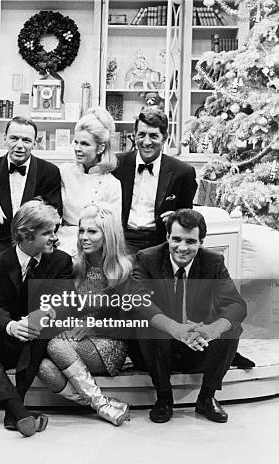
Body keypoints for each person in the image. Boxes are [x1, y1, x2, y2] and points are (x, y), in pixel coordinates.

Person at [132, 209, 246, 423]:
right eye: (176, 239)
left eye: (190, 241)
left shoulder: (213, 262)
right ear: (167, 237)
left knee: (231, 326)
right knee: (148, 323)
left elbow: (235, 304)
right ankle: (164, 397)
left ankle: (206, 397)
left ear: (201, 242)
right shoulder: (147, 259)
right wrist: (174, 328)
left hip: (197, 344)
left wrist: (213, 329)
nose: (182, 248)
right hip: (158, 347)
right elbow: (139, 301)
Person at [0, 200, 73, 437]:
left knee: (36, 338)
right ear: (26, 234)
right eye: (47, 233)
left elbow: (65, 303)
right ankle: (18, 411)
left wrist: (38, 318)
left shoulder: (61, 261)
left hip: (41, 335)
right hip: (10, 334)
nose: (54, 238)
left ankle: (14, 411)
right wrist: (12, 326)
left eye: (54, 231)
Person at [38, 204, 131, 426]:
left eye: (92, 231)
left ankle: (101, 405)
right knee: (43, 368)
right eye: (81, 231)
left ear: (108, 235)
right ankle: (103, 404)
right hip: (76, 340)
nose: (83, 237)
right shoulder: (76, 266)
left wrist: (94, 326)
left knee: (53, 346)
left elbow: (132, 324)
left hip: (109, 343)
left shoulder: (125, 270)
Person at [0, 116, 62, 317]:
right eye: (14, 138)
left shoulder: (50, 171)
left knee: (52, 264)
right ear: (5, 139)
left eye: (26, 140)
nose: (20, 145)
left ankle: (33, 327)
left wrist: (39, 211)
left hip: (33, 241)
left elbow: (56, 212)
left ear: (35, 143)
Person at [112, 106, 197, 253]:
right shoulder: (116, 164)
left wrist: (176, 217)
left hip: (160, 242)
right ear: (134, 135)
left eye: (153, 136)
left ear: (164, 137)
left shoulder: (183, 172)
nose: (146, 142)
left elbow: (186, 216)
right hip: (121, 239)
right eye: (141, 135)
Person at [57, 107, 122, 256]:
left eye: (85, 144)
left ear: (101, 148)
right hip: (60, 242)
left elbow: (112, 230)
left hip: (94, 248)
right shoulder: (63, 172)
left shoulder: (111, 184)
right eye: (76, 142)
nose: (78, 149)